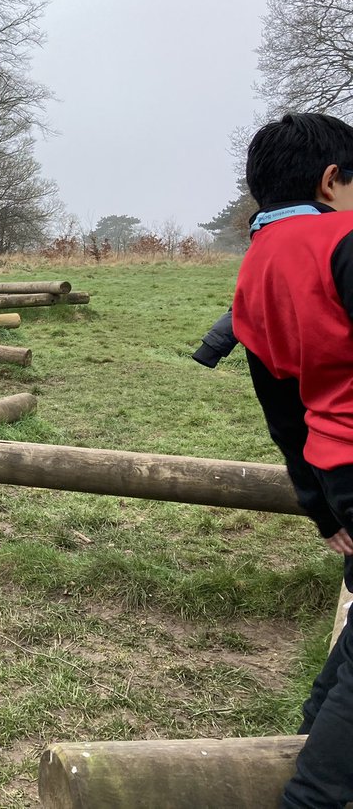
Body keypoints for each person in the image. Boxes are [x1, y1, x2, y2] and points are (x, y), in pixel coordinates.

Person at [230, 112, 353, 809]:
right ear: (331, 180)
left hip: (334, 466)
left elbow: (279, 406)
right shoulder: (343, 240)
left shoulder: (256, 265)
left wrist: (318, 504)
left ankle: (308, 740)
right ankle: (311, 795)